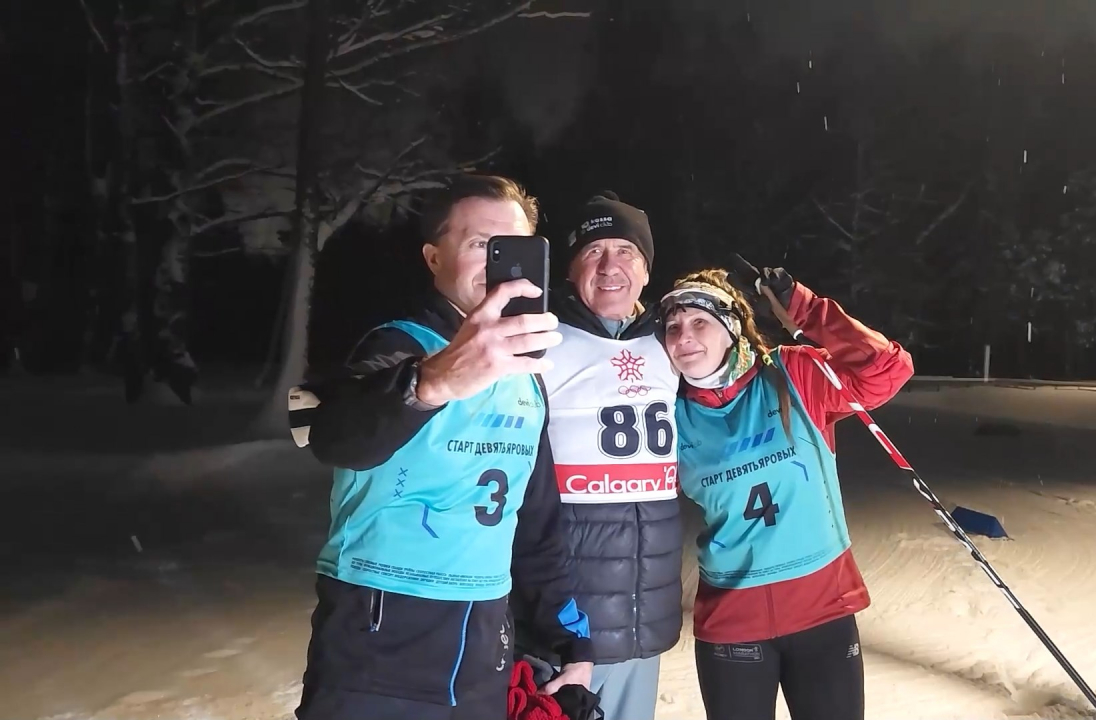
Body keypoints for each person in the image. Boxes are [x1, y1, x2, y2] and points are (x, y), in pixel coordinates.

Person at [295, 174, 594, 720]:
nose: (501, 266)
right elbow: (337, 436)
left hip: (483, 640)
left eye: (515, 248)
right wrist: (430, 382)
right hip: (379, 635)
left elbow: (535, 520)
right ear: (434, 258)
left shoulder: (528, 373)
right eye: (482, 244)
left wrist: (567, 639)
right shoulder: (398, 344)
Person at [656, 262, 914, 720]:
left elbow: (886, 370)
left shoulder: (792, 375)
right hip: (732, 619)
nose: (684, 337)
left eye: (699, 322)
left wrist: (805, 308)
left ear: (732, 327)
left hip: (822, 609)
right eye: (672, 327)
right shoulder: (669, 416)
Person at [515, 192, 683, 720]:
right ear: (569, 270)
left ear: (647, 270)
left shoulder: (671, 341)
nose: (610, 266)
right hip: (566, 626)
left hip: (643, 620)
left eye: (626, 251)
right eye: (593, 251)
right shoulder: (537, 340)